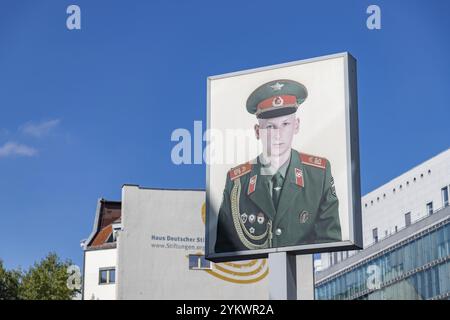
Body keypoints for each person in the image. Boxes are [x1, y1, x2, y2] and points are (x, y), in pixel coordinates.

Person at [215, 79, 341, 253]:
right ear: (257, 131)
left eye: (285, 124)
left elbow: (331, 245)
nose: (278, 134)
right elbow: (225, 249)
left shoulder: (319, 175)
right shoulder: (237, 181)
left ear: (296, 126)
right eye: (270, 127)